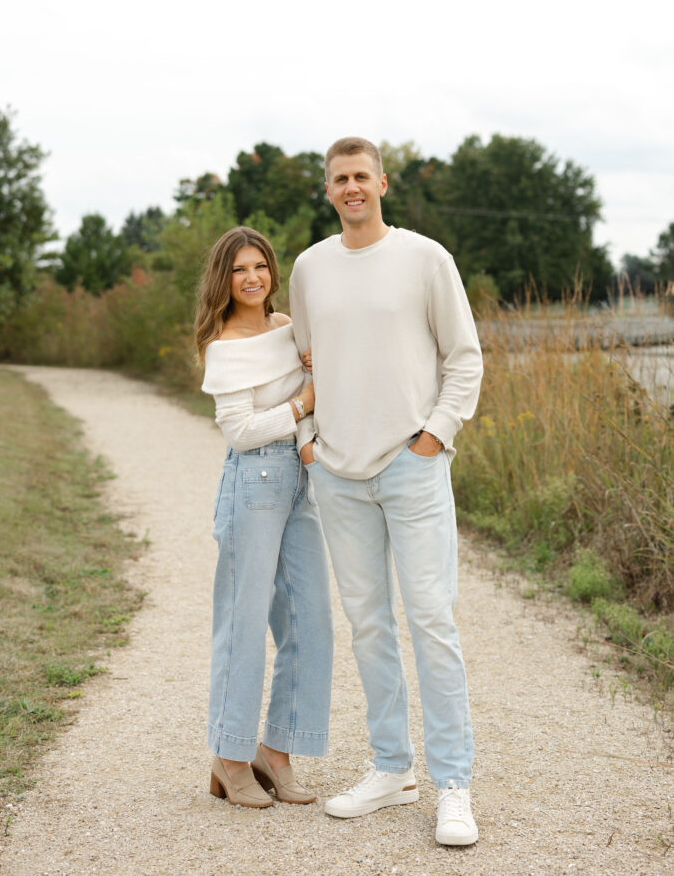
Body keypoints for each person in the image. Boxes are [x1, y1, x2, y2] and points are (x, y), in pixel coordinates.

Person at [289, 137, 483, 846]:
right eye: (339, 178)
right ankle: (392, 769)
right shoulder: (310, 268)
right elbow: (301, 361)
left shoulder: (425, 258)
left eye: (360, 176)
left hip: (411, 465)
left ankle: (452, 784)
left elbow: (463, 358)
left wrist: (433, 435)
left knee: (431, 622)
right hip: (336, 471)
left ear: (381, 182)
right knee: (368, 625)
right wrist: (307, 437)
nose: (351, 187)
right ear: (328, 188)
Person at [196, 226, 333, 809]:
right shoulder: (224, 345)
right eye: (239, 270)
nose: (252, 278)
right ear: (223, 280)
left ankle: (276, 753)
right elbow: (241, 431)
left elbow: (319, 378)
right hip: (253, 481)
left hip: (300, 479)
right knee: (244, 621)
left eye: (260, 267)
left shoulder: (286, 330)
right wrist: (304, 401)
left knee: (312, 619)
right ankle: (229, 756)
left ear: (272, 272)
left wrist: (312, 373)